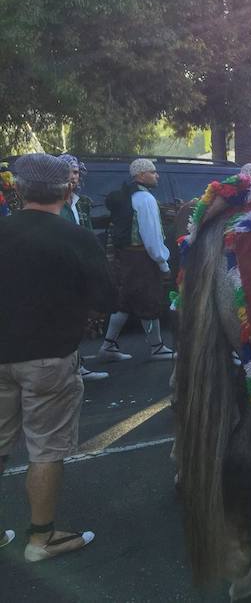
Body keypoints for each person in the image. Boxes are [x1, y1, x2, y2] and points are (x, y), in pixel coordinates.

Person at [0, 153, 115, 560]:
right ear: (67, 189)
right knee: (46, 449)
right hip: (50, 358)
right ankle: (40, 538)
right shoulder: (76, 238)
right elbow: (105, 299)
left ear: (16, 188)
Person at [98, 159, 176, 362]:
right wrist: (163, 263)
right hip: (142, 257)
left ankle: (108, 345)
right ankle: (157, 347)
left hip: (126, 256)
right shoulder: (145, 199)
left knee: (126, 300)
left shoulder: (128, 196)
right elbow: (152, 237)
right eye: (153, 172)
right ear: (141, 175)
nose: (157, 175)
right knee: (149, 299)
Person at [58, 155, 109, 382]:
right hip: (62, 267)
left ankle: (78, 364)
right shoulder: (54, 204)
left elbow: (87, 233)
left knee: (80, 317)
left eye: (76, 172)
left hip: (82, 267)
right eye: (68, 171)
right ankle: (69, 367)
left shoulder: (82, 202)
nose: (73, 176)